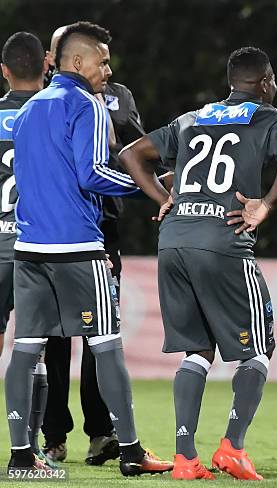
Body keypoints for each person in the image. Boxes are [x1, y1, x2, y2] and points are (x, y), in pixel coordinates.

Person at [120, 46, 277, 481]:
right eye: (273, 79)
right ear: (264, 82)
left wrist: (167, 198)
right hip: (222, 241)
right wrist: (266, 205)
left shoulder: (192, 118)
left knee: (198, 350)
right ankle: (232, 448)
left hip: (174, 242)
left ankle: (185, 459)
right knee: (258, 348)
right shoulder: (269, 117)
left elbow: (131, 154)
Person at [4, 21, 173, 477]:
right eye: (102, 60)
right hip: (78, 249)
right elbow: (93, 174)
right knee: (106, 347)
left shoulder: (29, 108)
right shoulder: (88, 104)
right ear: (77, 63)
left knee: (25, 350)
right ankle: (132, 452)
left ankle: (23, 456)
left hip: (29, 250)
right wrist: (152, 191)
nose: (107, 69)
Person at [40, 24, 147, 467]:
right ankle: (52, 434)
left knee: (98, 335)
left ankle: (101, 432)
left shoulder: (117, 96)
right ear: (58, 58)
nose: (107, 69)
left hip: (103, 230)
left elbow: (140, 150)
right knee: (53, 338)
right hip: (58, 229)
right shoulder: (45, 99)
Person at [0, 30, 55, 468]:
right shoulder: (55, 114)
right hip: (38, 244)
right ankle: (29, 449)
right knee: (31, 346)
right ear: (46, 67)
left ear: (4, 72)